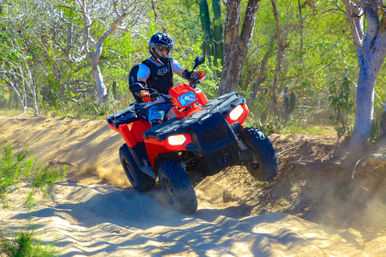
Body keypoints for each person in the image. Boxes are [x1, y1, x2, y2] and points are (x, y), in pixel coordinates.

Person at [129, 33, 200, 127]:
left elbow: (183, 72)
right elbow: (140, 84)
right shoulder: (145, 67)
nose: (164, 52)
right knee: (157, 125)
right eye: (161, 49)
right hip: (156, 104)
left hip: (174, 100)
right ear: (153, 50)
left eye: (166, 50)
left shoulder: (170, 62)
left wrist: (192, 75)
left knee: (195, 109)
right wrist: (145, 94)